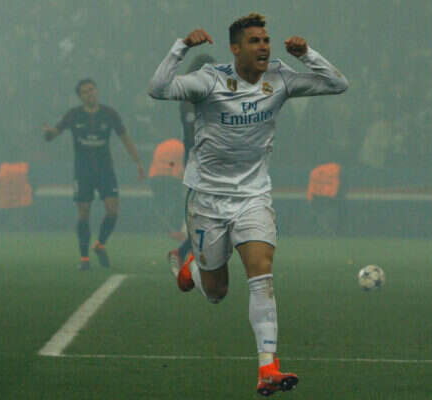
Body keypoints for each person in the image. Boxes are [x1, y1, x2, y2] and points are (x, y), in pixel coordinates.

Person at [148, 13, 348, 396]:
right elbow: (157, 89)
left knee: (261, 275)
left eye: (266, 40)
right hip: (207, 200)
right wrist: (181, 47)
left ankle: (267, 367)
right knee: (217, 291)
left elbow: (338, 84)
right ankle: (193, 268)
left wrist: (308, 55)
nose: (264, 47)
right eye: (255, 41)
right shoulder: (210, 80)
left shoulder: (280, 78)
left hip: (254, 197)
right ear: (235, 49)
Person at [44, 78, 145, 270]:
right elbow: (54, 133)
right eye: (85, 91)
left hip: (105, 169)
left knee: (112, 210)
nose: (90, 93)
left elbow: (125, 138)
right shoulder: (73, 115)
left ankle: (100, 244)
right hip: (83, 171)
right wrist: (48, 133)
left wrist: (138, 163)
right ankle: (84, 259)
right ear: (80, 96)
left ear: (97, 91)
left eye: (92, 89)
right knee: (83, 213)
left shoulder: (109, 114)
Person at [167, 54, 216, 274]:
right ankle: (184, 253)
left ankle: (189, 254)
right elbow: (191, 130)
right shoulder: (190, 97)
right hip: (199, 160)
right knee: (204, 210)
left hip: (210, 159)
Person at [148, 138, 185, 235]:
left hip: (155, 177)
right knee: (179, 203)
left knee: (160, 204)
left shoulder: (161, 145)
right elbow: (179, 167)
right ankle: (174, 228)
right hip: (171, 177)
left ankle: (156, 228)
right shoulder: (181, 147)